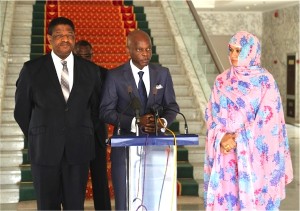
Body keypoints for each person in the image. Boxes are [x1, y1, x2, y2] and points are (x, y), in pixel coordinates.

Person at [14, 17, 102, 210]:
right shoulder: (32, 69)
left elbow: (96, 110)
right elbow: (21, 110)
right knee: (47, 206)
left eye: (69, 35)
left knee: (75, 206)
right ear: (49, 39)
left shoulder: (91, 71)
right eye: (59, 35)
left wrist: (81, 129)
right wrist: (40, 133)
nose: (65, 39)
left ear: (74, 38)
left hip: (78, 151)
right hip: (44, 151)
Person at [204, 31, 293, 210]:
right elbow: (210, 114)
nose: (233, 55)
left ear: (251, 52)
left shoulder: (265, 82)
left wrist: (237, 139)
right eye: (231, 50)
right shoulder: (221, 81)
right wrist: (221, 137)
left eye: (239, 51)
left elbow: (269, 121)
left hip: (253, 157)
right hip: (226, 155)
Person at [99, 29, 179, 210]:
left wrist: (163, 122)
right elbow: (105, 111)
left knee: (156, 198)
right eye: (140, 50)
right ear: (129, 50)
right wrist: (135, 122)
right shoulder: (115, 76)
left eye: (148, 49)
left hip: (158, 146)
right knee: (125, 200)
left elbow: (172, 107)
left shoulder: (162, 73)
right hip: (125, 146)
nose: (146, 54)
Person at [73, 40, 111, 210]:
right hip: (75, 135)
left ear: (92, 54)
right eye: (80, 56)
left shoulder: (103, 74)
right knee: (75, 181)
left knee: (100, 179)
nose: (85, 59)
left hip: (97, 134)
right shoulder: (67, 74)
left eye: (87, 56)